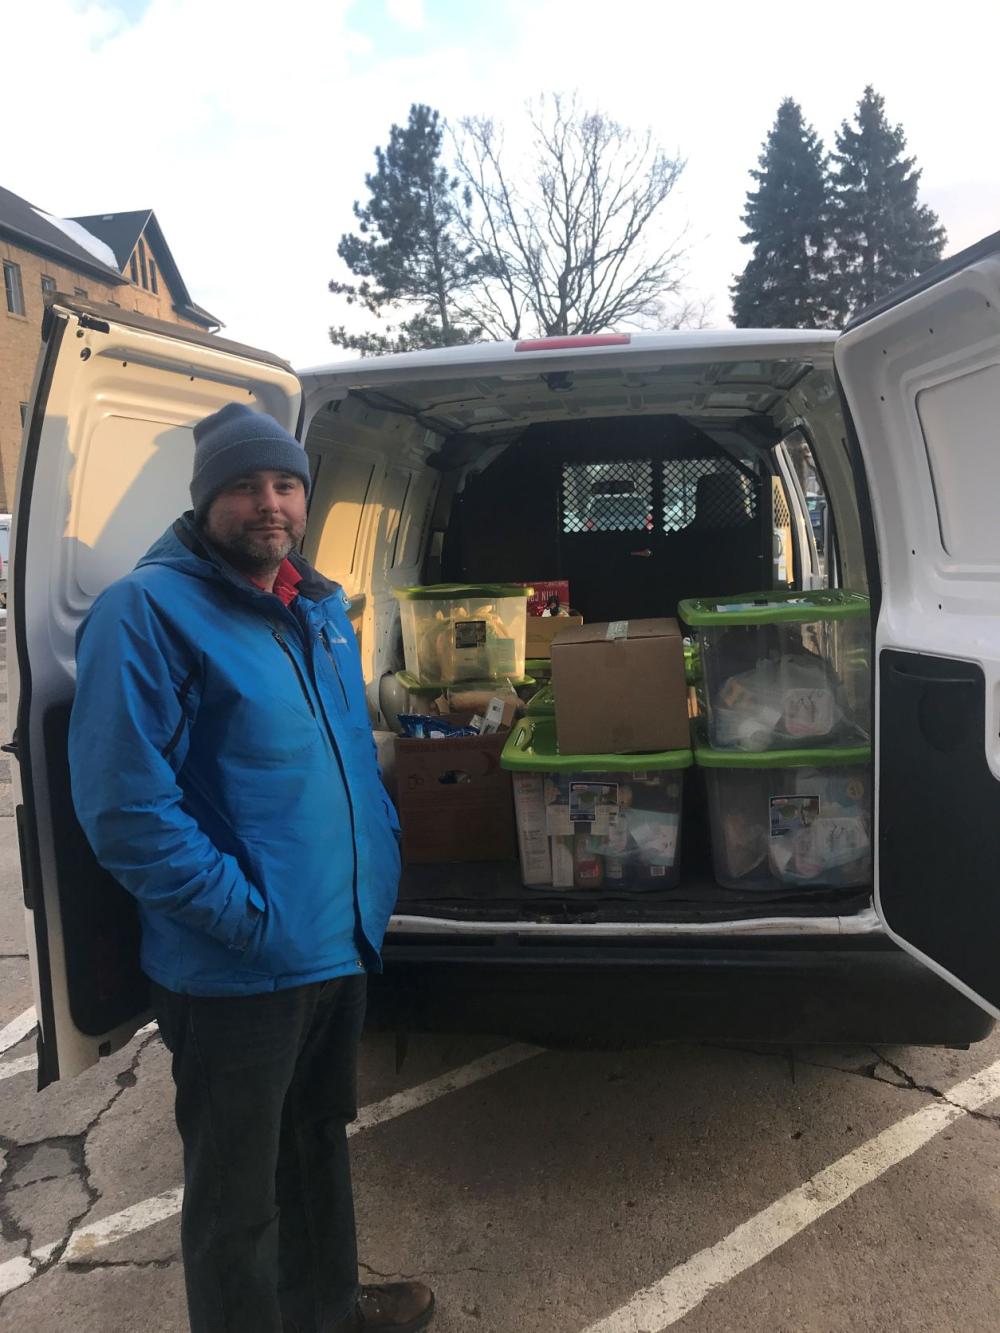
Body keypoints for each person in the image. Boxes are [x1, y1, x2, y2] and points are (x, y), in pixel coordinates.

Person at [68, 402, 434, 1333]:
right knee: (236, 1198)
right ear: (205, 502)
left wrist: (373, 876)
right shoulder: (145, 613)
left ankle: (327, 1312)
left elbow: (349, 754)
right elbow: (126, 810)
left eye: (284, 484)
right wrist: (245, 915)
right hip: (237, 964)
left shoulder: (316, 605)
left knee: (314, 1148)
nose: (268, 503)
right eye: (243, 485)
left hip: (333, 940)